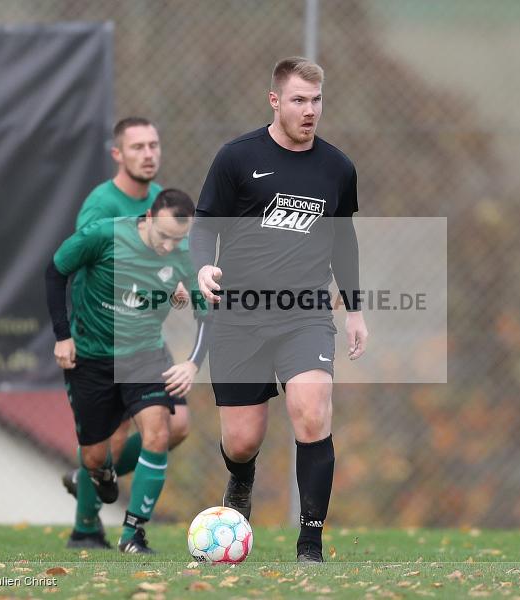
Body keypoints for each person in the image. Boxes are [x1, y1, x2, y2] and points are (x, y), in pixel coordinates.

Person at [190, 57, 368, 563]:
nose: (309, 111)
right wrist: (202, 268)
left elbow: (344, 240)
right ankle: (240, 479)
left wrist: (355, 310)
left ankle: (309, 543)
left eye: (316, 101)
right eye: (298, 100)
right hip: (239, 314)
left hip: (304, 312)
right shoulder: (236, 158)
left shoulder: (337, 167)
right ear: (275, 100)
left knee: (311, 411)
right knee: (242, 440)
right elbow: (204, 227)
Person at [46, 189, 207, 553]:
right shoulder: (103, 235)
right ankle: (96, 483)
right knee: (94, 456)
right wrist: (62, 336)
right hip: (92, 357)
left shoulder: (182, 255)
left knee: (160, 432)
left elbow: (206, 314)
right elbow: (55, 272)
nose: (169, 246)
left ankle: (133, 534)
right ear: (147, 218)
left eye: (177, 239)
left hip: (144, 356)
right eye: (164, 236)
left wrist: (192, 362)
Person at [62, 117, 193, 549]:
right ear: (118, 154)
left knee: (177, 426)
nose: (149, 154)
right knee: (110, 440)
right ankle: (86, 524)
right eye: (137, 147)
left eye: (154, 145)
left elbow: (179, 262)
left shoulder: (162, 202)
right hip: (101, 342)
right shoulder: (101, 206)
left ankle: (94, 477)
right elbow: (77, 272)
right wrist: (72, 334)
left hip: (145, 342)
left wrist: (178, 285)